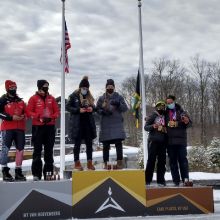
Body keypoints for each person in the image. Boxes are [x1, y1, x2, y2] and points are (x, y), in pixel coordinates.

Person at [26, 80, 59, 181]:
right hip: (38, 127)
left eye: (47, 86)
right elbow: (28, 112)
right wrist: (38, 116)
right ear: (39, 87)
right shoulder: (33, 99)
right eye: (45, 86)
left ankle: (48, 174)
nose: (46, 87)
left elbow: (57, 112)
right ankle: (36, 174)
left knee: (49, 151)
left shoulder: (52, 99)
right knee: (37, 151)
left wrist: (51, 118)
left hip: (49, 127)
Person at [66, 76, 96, 171]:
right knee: (77, 144)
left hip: (88, 123)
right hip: (77, 124)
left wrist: (92, 109)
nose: (85, 90)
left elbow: (94, 107)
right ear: (80, 88)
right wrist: (78, 110)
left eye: (86, 88)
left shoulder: (90, 97)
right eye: (83, 88)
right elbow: (68, 107)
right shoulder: (73, 95)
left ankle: (90, 162)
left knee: (89, 144)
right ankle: (77, 162)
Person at [96, 79, 128, 169]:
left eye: (111, 87)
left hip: (117, 124)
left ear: (114, 87)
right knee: (106, 145)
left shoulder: (119, 97)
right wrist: (103, 112)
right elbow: (97, 110)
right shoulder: (101, 98)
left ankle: (119, 162)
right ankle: (105, 162)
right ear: (106, 87)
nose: (110, 88)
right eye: (108, 87)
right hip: (105, 124)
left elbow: (125, 108)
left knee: (118, 143)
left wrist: (118, 104)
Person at [0, 80, 26, 181]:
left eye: (15, 87)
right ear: (7, 88)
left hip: (20, 128)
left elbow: (25, 111)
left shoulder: (20, 100)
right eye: (11, 88)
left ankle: (18, 171)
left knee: (20, 149)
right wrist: (11, 118)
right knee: (5, 149)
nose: (13, 89)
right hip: (7, 128)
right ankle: (5, 171)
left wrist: (24, 115)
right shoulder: (3, 100)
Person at [165, 95, 192, 186]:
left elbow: (189, 124)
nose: (169, 104)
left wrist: (184, 122)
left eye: (171, 102)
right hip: (170, 142)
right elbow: (158, 120)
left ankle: (185, 179)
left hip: (181, 142)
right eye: (168, 103)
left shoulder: (182, 112)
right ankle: (176, 181)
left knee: (183, 161)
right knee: (173, 162)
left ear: (174, 102)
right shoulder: (165, 113)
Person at [144, 100, 167, 186]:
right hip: (153, 141)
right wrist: (153, 126)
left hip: (163, 142)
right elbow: (145, 127)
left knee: (162, 162)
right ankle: (147, 180)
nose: (161, 108)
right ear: (156, 107)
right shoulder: (153, 116)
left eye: (163, 107)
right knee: (151, 161)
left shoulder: (165, 116)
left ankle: (161, 181)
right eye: (159, 107)